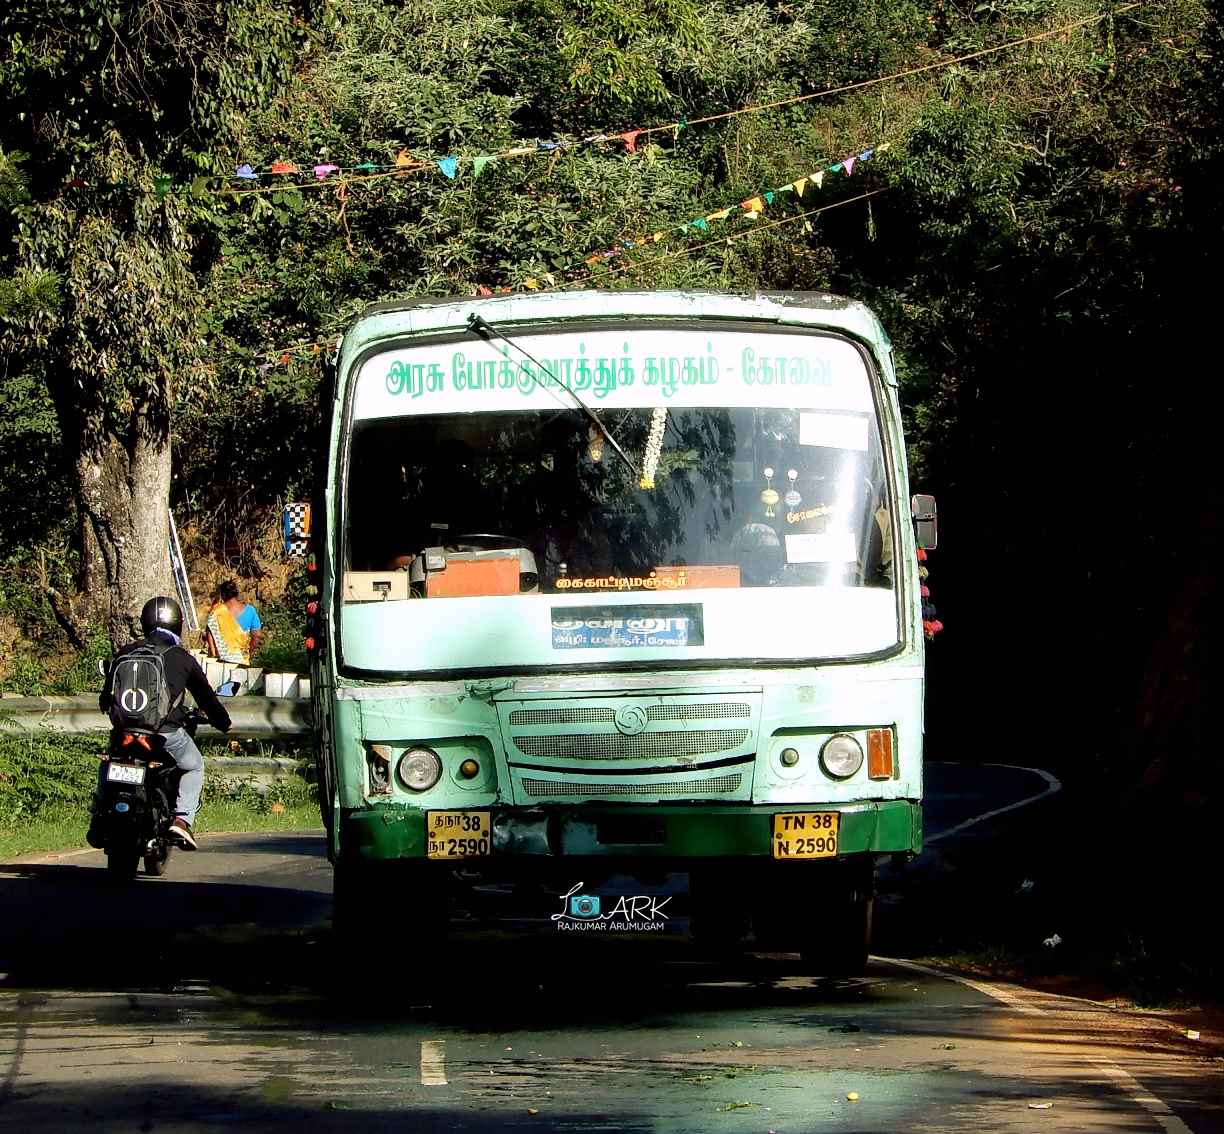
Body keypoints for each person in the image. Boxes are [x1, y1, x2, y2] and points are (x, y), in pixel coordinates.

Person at [91, 596, 233, 850]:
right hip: (163, 734)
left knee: (110, 761)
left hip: (124, 731)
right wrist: (224, 723)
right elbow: (207, 697)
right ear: (178, 624)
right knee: (194, 766)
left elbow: (105, 699)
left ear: (145, 622)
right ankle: (181, 820)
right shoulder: (182, 658)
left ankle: (98, 815)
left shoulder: (126, 652)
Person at [205, 580, 263, 665]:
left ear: (222, 595)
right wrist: (248, 654)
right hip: (242, 662)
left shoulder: (217, 611)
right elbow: (257, 636)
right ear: (236, 593)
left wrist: (214, 655)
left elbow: (209, 633)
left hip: (220, 662)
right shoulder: (250, 610)